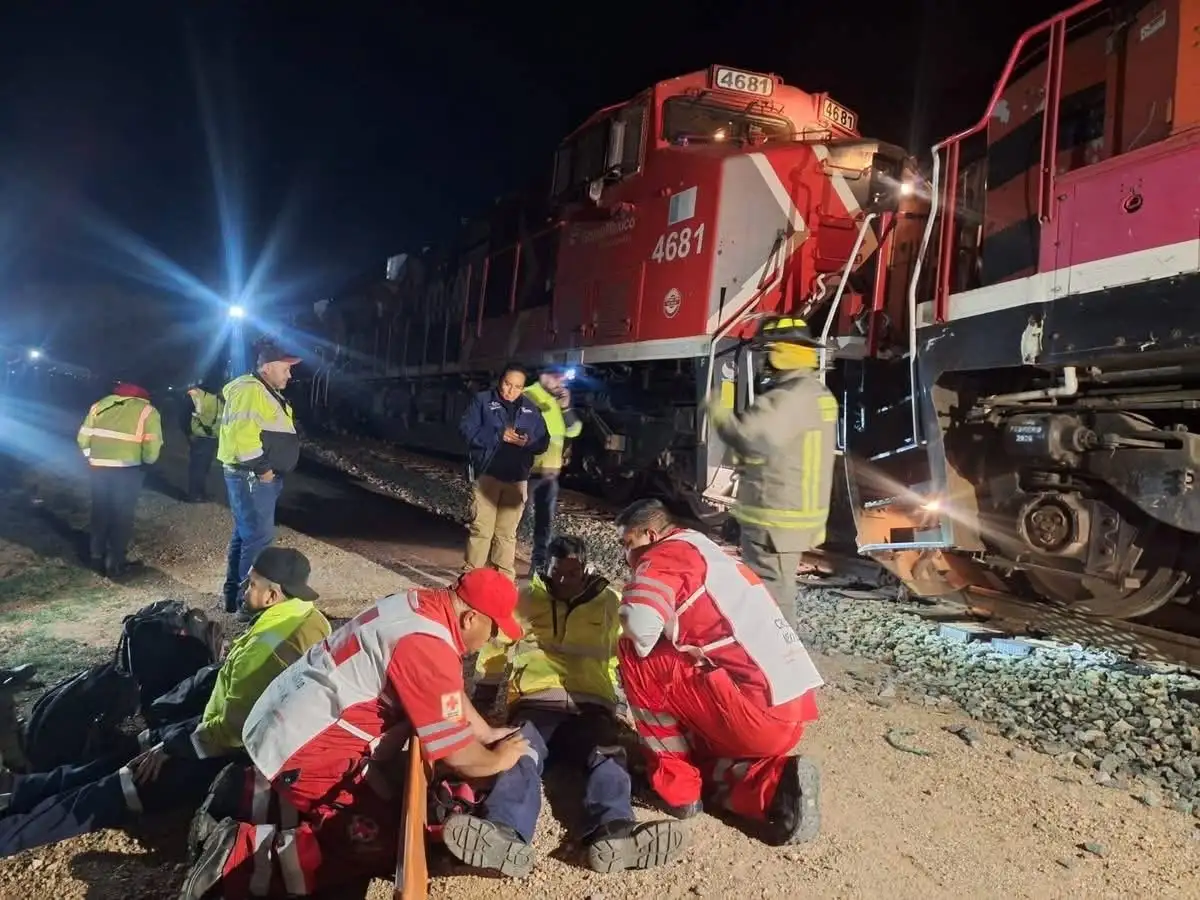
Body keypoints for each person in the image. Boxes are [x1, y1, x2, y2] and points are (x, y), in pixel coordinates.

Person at [181, 568, 537, 899]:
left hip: (289, 721)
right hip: (305, 746)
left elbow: (447, 693)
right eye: (492, 629)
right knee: (375, 841)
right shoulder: (426, 646)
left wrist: (486, 731)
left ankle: (244, 795)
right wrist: (498, 758)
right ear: (470, 617)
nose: (491, 638)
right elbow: (457, 756)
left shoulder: (418, 606)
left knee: (381, 804)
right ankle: (234, 858)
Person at [0, 548, 330, 859]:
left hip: (226, 756)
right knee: (128, 754)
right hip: (219, 735)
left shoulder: (266, 649)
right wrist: (169, 738)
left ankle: (12, 821)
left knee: (106, 793)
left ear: (274, 595)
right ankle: (18, 792)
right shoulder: (311, 620)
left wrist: (172, 746)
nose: (243, 587)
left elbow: (232, 730)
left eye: (252, 583)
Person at [470, 535, 686, 874]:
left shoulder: (610, 605)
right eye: (557, 572)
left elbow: (632, 656)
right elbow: (497, 647)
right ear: (548, 568)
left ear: (585, 569)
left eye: (571, 573)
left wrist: (637, 706)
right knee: (516, 753)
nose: (563, 581)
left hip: (590, 706)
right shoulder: (525, 601)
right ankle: (503, 831)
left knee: (608, 754)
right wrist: (484, 695)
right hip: (536, 702)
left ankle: (615, 831)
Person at [614, 498, 824, 846]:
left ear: (651, 534)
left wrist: (631, 592)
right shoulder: (705, 548)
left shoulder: (663, 555)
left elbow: (639, 627)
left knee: (635, 655)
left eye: (628, 543)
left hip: (756, 715)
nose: (627, 554)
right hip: (790, 708)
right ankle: (775, 787)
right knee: (701, 753)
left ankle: (676, 789)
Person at [706, 315, 839, 628]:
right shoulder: (817, 394)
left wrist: (717, 411)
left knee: (771, 604)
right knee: (774, 597)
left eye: (766, 353)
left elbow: (749, 437)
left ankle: (780, 668)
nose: (763, 361)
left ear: (780, 353)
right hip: (794, 518)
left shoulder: (788, 398)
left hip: (774, 521)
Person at [218, 339, 300, 618]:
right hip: (253, 477)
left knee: (246, 536)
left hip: (253, 477)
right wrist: (263, 469)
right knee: (257, 539)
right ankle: (248, 605)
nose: (290, 374)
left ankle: (234, 597)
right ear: (267, 367)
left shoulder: (260, 390)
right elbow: (244, 437)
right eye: (285, 368)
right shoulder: (252, 391)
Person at [460, 365, 549, 581]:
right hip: (487, 476)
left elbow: (543, 441)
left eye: (517, 387)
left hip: (517, 479)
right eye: (507, 384)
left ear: (523, 388)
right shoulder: (482, 401)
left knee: (506, 535)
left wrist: (529, 442)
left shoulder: (530, 409)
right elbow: (467, 430)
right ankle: (471, 579)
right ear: (500, 381)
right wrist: (499, 435)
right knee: (481, 530)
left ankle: (503, 582)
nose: (511, 390)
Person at [76, 379, 163, 578]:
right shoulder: (147, 411)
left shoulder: (99, 406)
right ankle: (115, 562)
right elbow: (152, 445)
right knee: (122, 515)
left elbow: (82, 439)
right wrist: (147, 461)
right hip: (127, 469)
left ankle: (95, 557)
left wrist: (92, 455)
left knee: (100, 511)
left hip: (98, 467)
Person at [522, 368, 583, 576]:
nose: (560, 381)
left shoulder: (557, 401)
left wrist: (565, 408)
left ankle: (538, 567)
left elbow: (574, 430)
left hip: (549, 474)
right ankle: (497, 563)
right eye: (556, 377)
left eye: (562, 378)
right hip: (526, 472)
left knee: (544, 524)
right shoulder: (528, 395)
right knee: (515, 520)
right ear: (542, 376)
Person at [183, 382, 224, 502]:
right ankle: (194, 495)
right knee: (198, 468)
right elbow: (184, 416)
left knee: (203, 468)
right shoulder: (198, 395)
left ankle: (200, 493)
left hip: (211, 437)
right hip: (200, 437)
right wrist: (189, 434)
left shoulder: (218, 398)